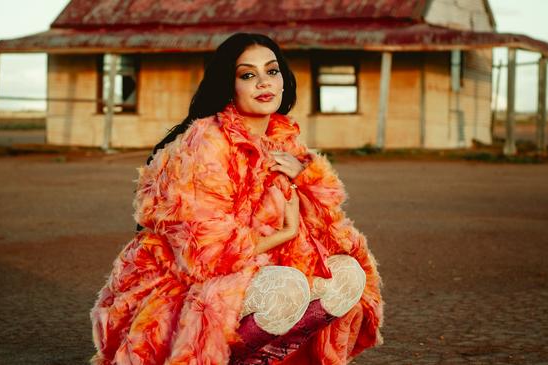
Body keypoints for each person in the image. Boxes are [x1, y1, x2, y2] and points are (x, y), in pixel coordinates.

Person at [90, 33, 383, 365]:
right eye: (248, 75)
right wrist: (285, 233)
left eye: (272, 72)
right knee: (288, 288)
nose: (263, 83)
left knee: (347, 275)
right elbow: (206, 254)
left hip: (259, 266)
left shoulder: (282, 140)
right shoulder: (205, 145)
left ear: (284, 80)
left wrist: (307, 179)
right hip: (184, 281)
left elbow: (329, 232)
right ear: (229, 85)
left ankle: (269, 358)